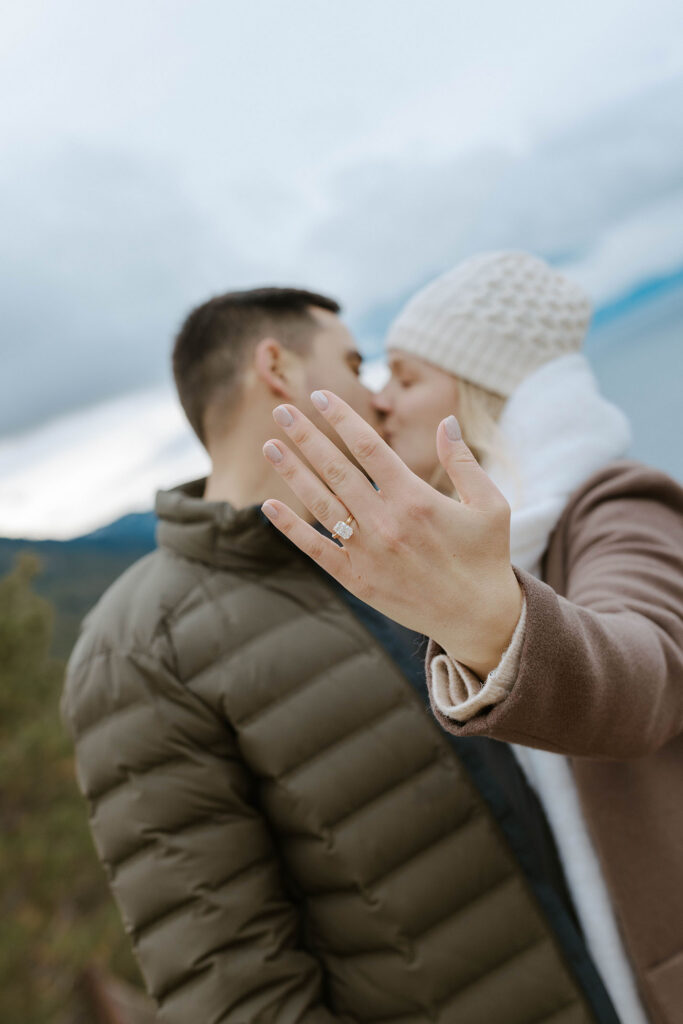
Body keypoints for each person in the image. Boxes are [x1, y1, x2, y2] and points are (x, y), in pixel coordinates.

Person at [61, 286, 623, 1024]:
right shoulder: (138, 647)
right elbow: (233, 992)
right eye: (356, 363)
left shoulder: (410, 538)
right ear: (277, 367)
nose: (378, 397)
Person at [258, 252, 683, 1024]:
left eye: (408, 379)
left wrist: (493, 626)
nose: (382, 403)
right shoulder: (479, 555)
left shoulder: (621, 506)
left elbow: (640, 682)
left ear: (484, 395)